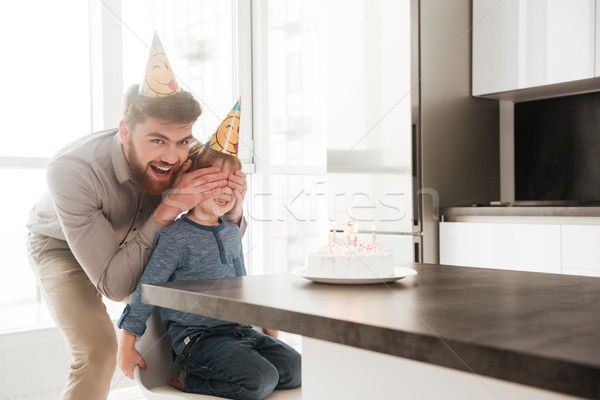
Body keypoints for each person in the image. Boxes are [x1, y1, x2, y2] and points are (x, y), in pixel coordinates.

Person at [25, 32, 247, 400]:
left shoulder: (185, 155)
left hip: (142, 241)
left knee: (184, 331)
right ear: (125, 131)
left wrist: (234, 208)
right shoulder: (72, 170)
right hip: (59, 245)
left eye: (181, 141)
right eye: (157, 140)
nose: (173, 157)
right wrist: (169, 208)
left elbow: (220, 232)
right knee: (98, 352)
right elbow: (116, 287)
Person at [116, 106, 302, 400]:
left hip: (239, 332)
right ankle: (187, 379)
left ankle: (248, 363)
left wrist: (264, 319)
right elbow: (147, 290)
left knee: (297, 370)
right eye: (216, 180)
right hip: (199, 339)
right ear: (193, 182)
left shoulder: (230, 232)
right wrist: (126, 344)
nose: (225, 188)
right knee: (261, 381)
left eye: (232, 181)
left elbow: (242, 283)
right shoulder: (175, 237)